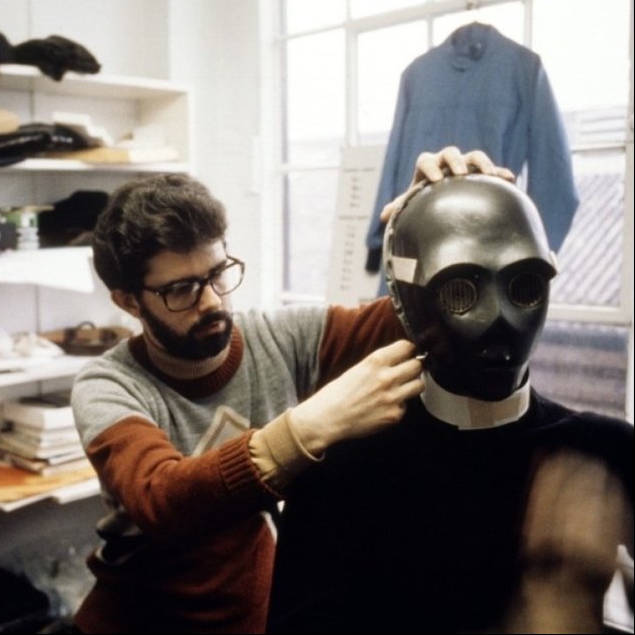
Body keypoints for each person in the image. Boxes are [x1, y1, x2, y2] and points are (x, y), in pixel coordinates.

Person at [69, 148, 507, 633]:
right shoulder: (107, 385)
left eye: (218, 273)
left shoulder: (280, 338)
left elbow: (418, 321)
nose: (211, 301)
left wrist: (437, 224)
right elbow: (161, 500)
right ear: (128, 302)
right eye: (181, 290)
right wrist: (307, 429)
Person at [267, 174, 633, 633]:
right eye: (462, 291)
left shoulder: (603, 454)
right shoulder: (341, 473)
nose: (501, 319)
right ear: (405, 303)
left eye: (524, 285)